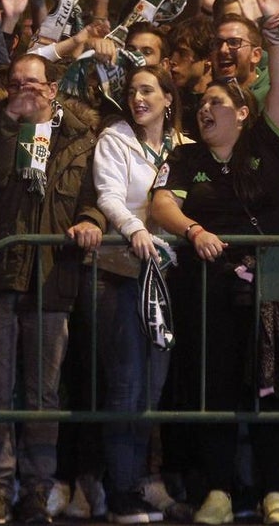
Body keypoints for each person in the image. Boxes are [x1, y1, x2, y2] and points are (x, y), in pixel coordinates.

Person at [150, 0, 279, 526]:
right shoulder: (189, 158)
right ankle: (217, 490)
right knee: (214, 388)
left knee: (268, 388)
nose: (207, 108)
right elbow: (160, 203)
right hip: (210, 287)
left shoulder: (266, 142)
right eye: (203, 103)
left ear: (243, 114)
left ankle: (273, 492)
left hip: (271, 286)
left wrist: (277, 37)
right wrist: (192, 229)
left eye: (219, 102)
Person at [0, 52, 105, 526]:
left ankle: (37, 489)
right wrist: (10, 120)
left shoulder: (80, 140)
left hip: (52, 279)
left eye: (33, 84)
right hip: (2, 275)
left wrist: (90, 220)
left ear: (52, 89)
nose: (24, 91)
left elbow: (94, 197)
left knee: (44, 395)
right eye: (15, 84)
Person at [90, 65, 193, 524]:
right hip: (123, 274)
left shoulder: (185, 147)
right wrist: (134, 230)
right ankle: (120, 491)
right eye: (132, 91)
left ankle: (138, 480)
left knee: (152, 388)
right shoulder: (115, 138)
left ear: (169, 98)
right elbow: (108, 195)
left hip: (168, 282)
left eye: (148, 90)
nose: (138, 98)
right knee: (127, 385)